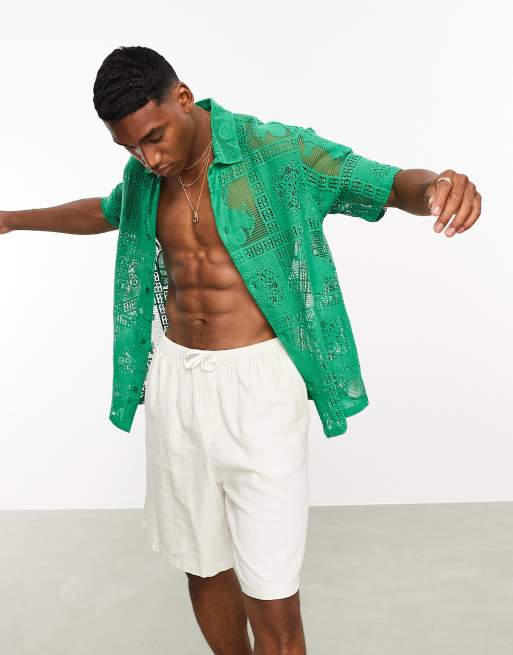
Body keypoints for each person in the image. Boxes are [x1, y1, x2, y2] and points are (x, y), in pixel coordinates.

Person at [0, 45, 481, 655]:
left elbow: (382, 183)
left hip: (258, 387)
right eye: (130, 148)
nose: (148, 159)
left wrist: (438, 185)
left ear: (182, 97)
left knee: (273, 592)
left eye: (154, 138)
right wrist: (11, 218)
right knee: (202, 564)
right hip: (176, 382)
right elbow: (103, 212)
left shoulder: (276, 152)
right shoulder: (144, 178)